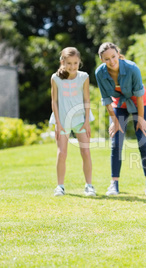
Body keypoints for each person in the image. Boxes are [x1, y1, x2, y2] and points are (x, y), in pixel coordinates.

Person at [95, 42, 146, 196]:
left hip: (140, 103)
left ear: (118, 54)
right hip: (118, 105)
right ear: (102, 60)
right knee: (116, 142)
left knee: (143, 140)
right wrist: (115, 121)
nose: (111, 61)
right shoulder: (100, 73)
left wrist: (140, 118)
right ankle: (114, 183)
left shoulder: (132, 68)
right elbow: (106, 99)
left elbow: (139, 95)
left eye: (113, 57)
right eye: (107, 59)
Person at [49, 47, 96, 197]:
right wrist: (58, 123)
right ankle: (60, 186)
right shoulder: (55, 78)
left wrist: (87, 121)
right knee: (62, 153)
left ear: (79, 62)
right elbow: (54, 101)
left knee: (86, 152)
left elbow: (87, 99)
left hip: (80, 120)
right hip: (62, 121)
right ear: (62, 62)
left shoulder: (84, 77)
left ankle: (89, 186)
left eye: (75, 63)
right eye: (69, 63)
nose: (72, 66)